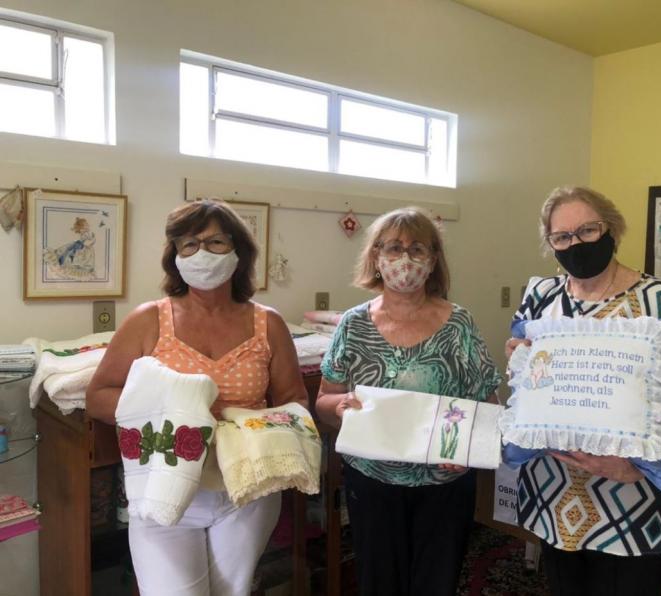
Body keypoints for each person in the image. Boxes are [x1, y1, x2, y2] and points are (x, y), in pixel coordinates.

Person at [86, 199, 308, 596]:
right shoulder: (148, 320)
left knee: (231, 592)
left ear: (239, 252)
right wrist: (176, 410)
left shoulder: (267, 324)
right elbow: (98, 397)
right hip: (163, 486)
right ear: (175, 257)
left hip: (246, 490)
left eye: (216, 242)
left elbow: (295, 403)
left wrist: (248, 428)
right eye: (188, 245)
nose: (201, 253)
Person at [505, 186, 661, 596]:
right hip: (553, 490)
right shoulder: (539, 297)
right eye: (561, 236)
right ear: (551, 243)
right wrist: (518, 358)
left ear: (612, 229)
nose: (575, 243)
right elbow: (522, 379)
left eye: (587, 230)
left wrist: (634, 468)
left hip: (633, 496)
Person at [315, 207, 502, 596]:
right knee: (378, 581)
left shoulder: (460, 324)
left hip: (445, 481)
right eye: (394, 248)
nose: (405, 259)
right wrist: (339, 406)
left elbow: (489, 399)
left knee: (437, 581)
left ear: (434, 260)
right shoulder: (353, 324)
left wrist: (471, 446)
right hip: (372, 480)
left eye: (418, 249)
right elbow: (323, 400)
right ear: (376, 257)